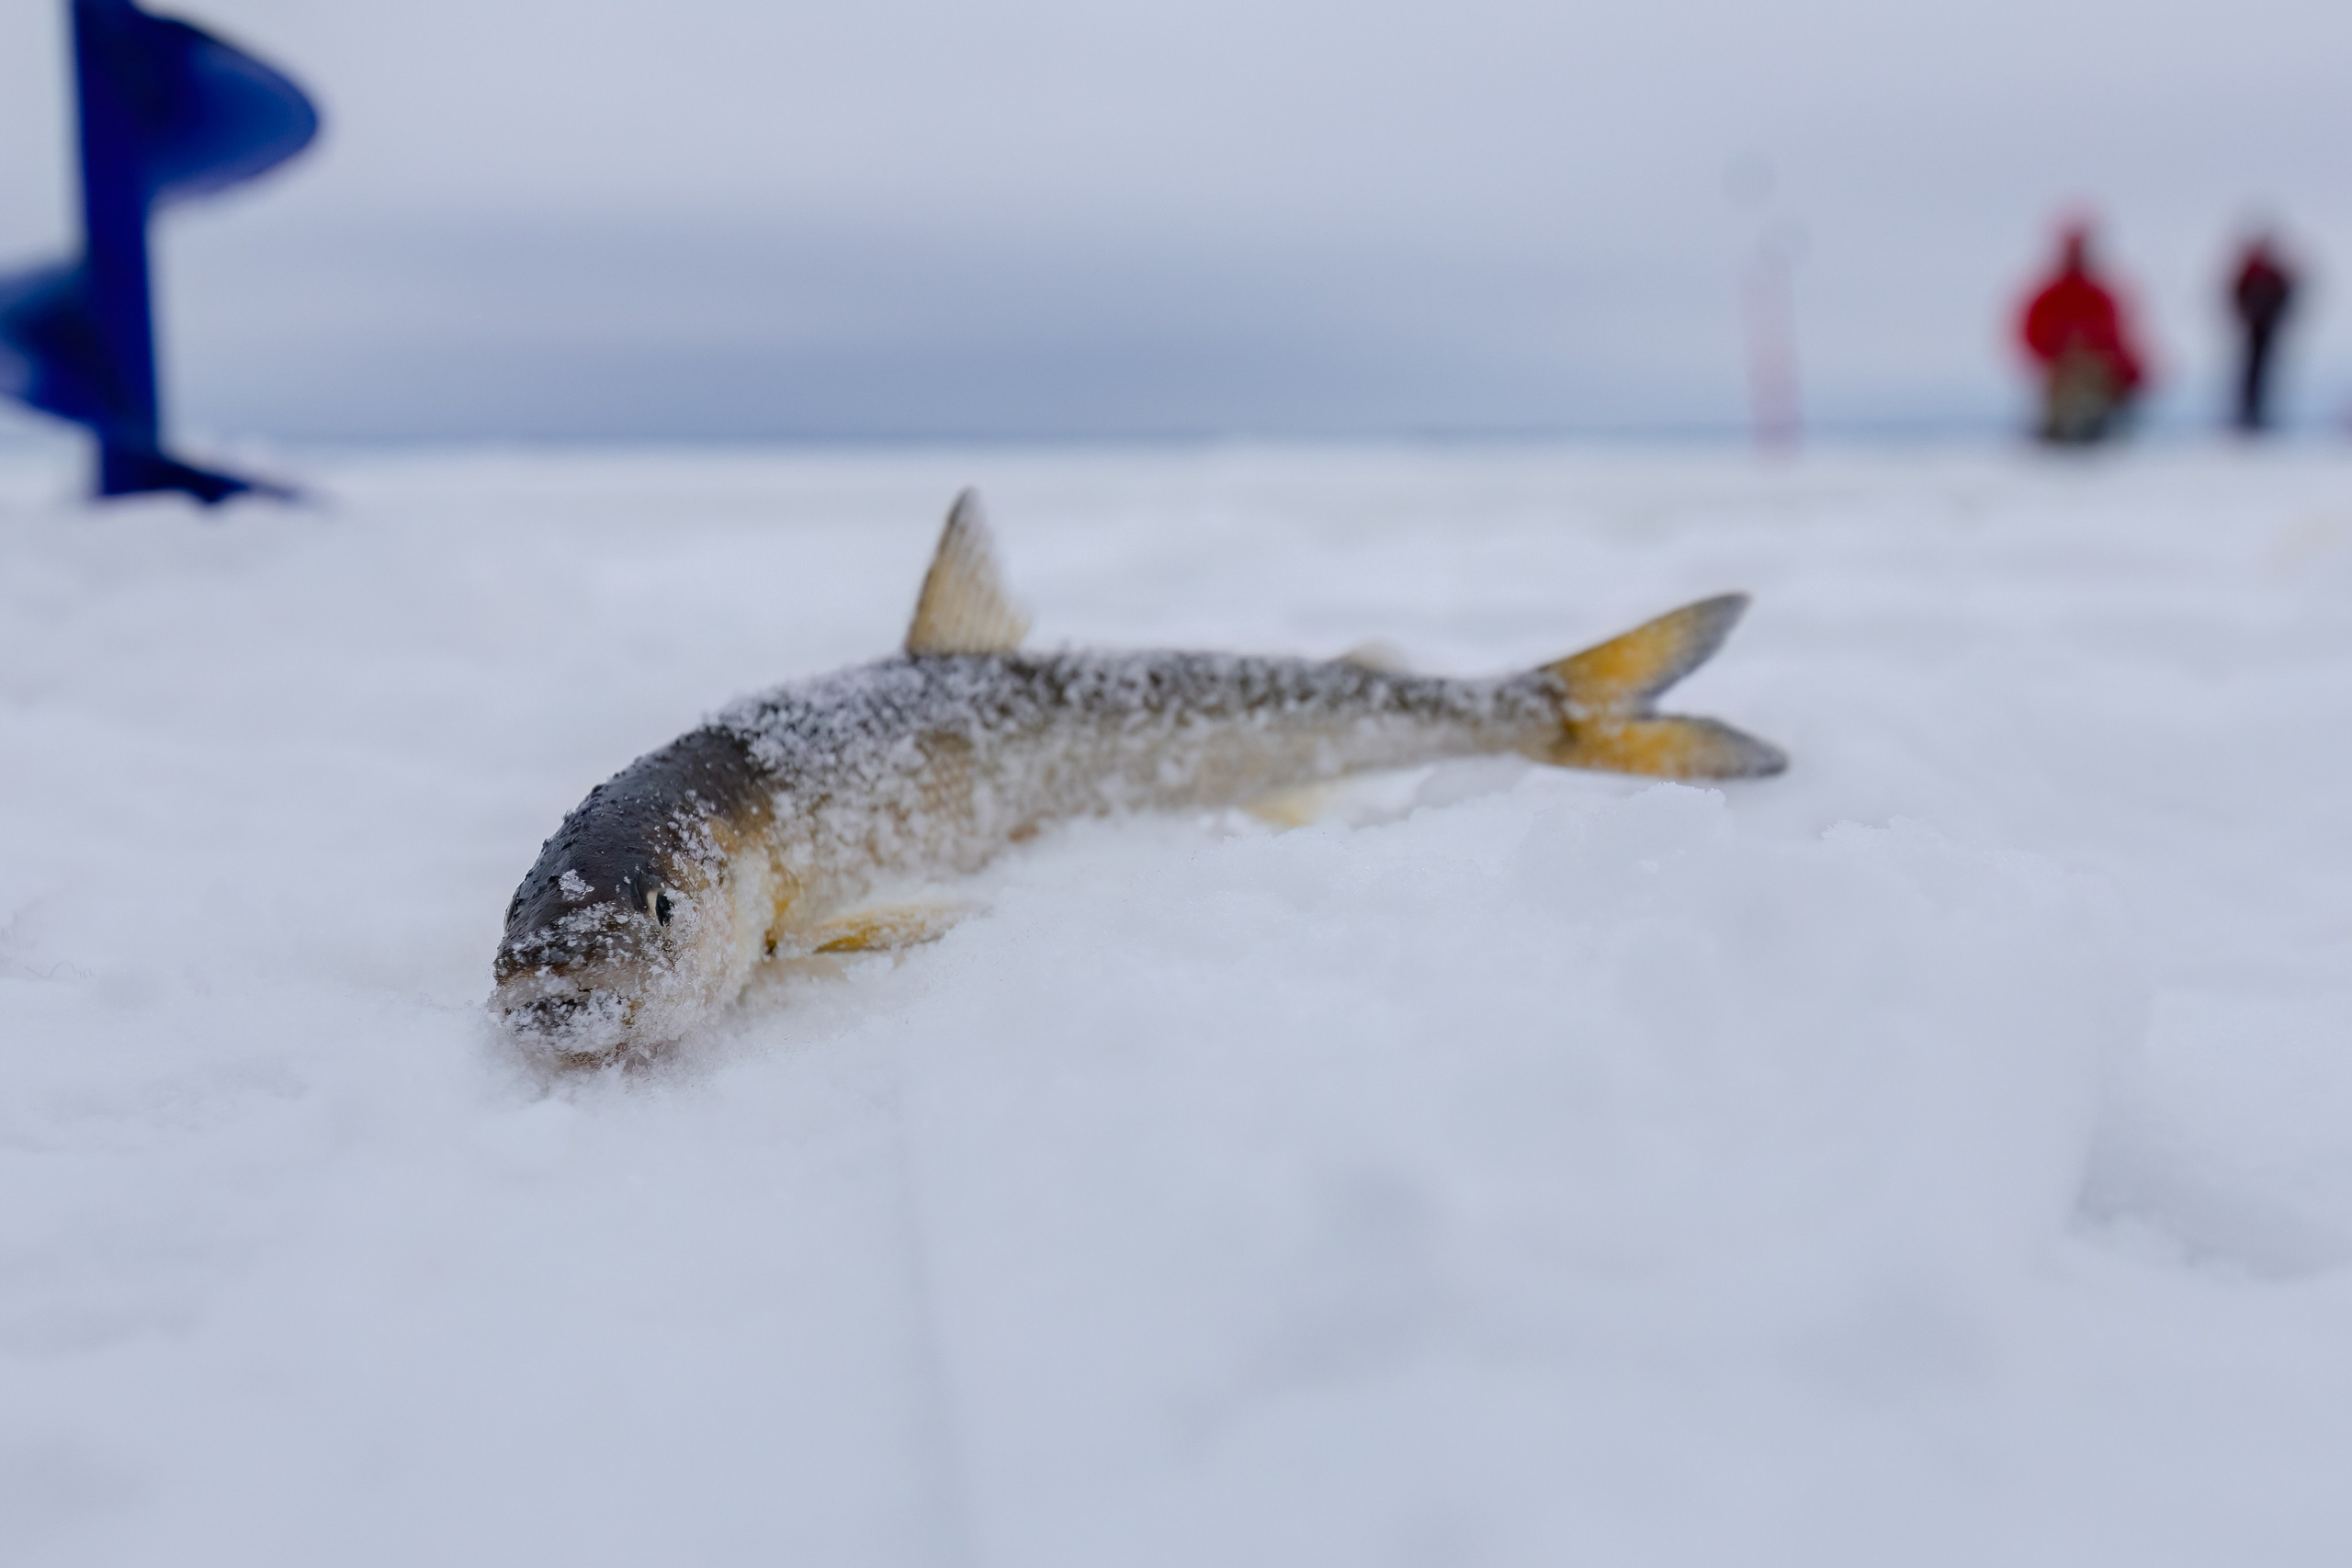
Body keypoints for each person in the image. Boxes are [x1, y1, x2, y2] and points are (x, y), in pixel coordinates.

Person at [2016, 221, 2150, 445]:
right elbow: (2031, 335)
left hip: (2096, 373)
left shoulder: (2099, 294)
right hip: (2062, 371)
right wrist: (2061, 348)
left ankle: (2089, 424)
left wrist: (2128, 372)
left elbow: (2117, 338)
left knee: (2088, 377)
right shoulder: (2050, 295)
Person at [2229, 234, 2298, 433]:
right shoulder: (2253, 272)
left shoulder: (2268, 273)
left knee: (2262, 372)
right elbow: (2237, 295)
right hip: (2254, 329)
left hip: (2266, 329)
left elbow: (2286, 294)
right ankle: (2249, 414)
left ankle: (2257, 413)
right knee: (2252, 373)